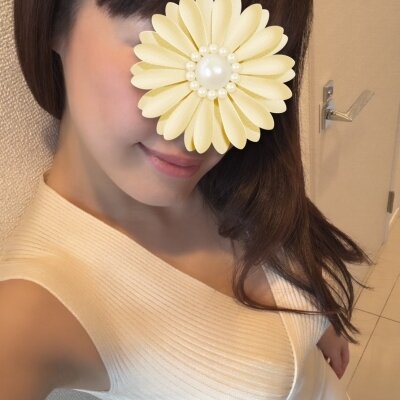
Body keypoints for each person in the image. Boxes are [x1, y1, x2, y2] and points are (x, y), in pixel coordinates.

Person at [0, 0, 373, 398]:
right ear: (57, 19)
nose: (199, 129)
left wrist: (313, 320)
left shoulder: (238, 179)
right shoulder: (27, 316)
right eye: (160, 45)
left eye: (241, 64)